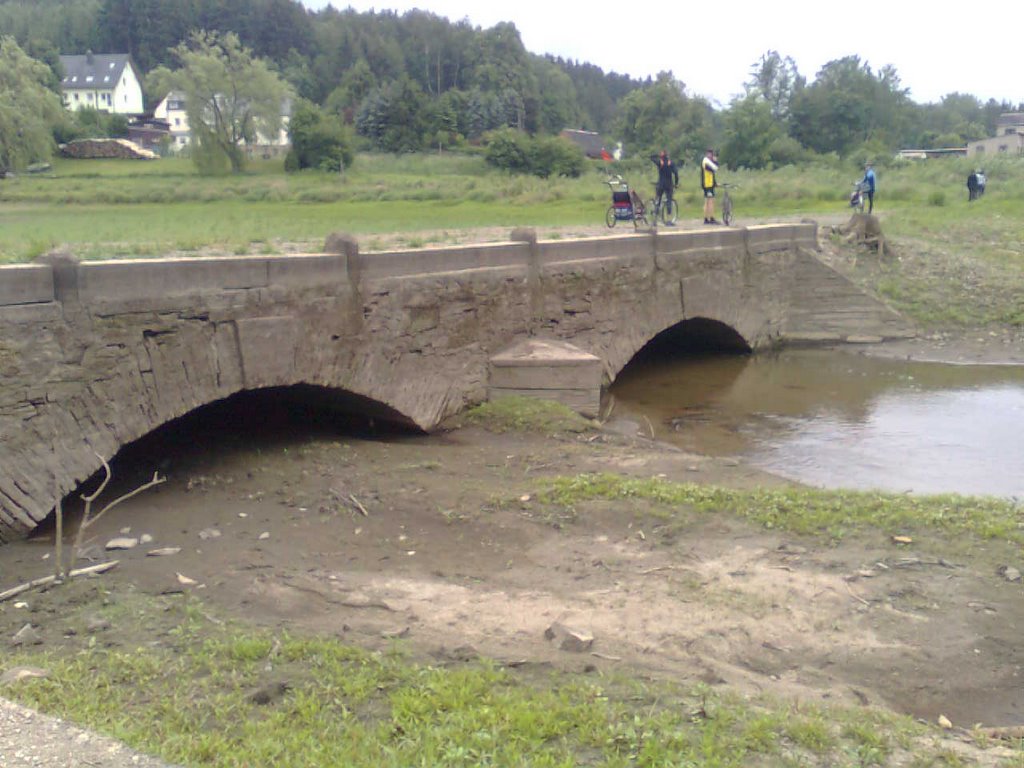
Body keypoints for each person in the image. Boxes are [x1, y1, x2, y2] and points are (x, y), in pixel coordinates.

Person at [649, 150, 679, 224]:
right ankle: (669, 220)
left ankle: (654, 220)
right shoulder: (671, 163)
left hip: (660, 184)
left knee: (658, 201)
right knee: (669, 200)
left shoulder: (660, 162)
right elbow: (676, 174)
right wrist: (676, 183)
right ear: (668, 156)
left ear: (661, 157)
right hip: (669, 185)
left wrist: (657, 155)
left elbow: (651, 157)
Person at [701, 148, 719, 224]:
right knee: (709, 201)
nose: (710, 156)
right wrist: (715, 161)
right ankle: (708, 218)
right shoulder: (705, 162)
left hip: (710, 184)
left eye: (711, 154)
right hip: (707, 184)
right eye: (709, 154)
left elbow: (712, 174)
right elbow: (713, 169)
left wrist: (715, 183)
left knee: (710, 201)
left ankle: (708, 218)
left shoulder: (708, 162)